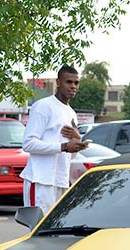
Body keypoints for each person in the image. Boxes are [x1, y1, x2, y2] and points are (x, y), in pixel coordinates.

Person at [21, 65, 88, 214]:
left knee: (55, 232)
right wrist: (63, 146)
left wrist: (77, 141)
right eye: (68, 82)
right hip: (40, 180)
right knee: (37, 231)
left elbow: (71, 155)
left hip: (61, 181)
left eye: (76, 83)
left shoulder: (71, 113)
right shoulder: (43, 106)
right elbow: (28, 143)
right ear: (58, 82)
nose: (73, 86)